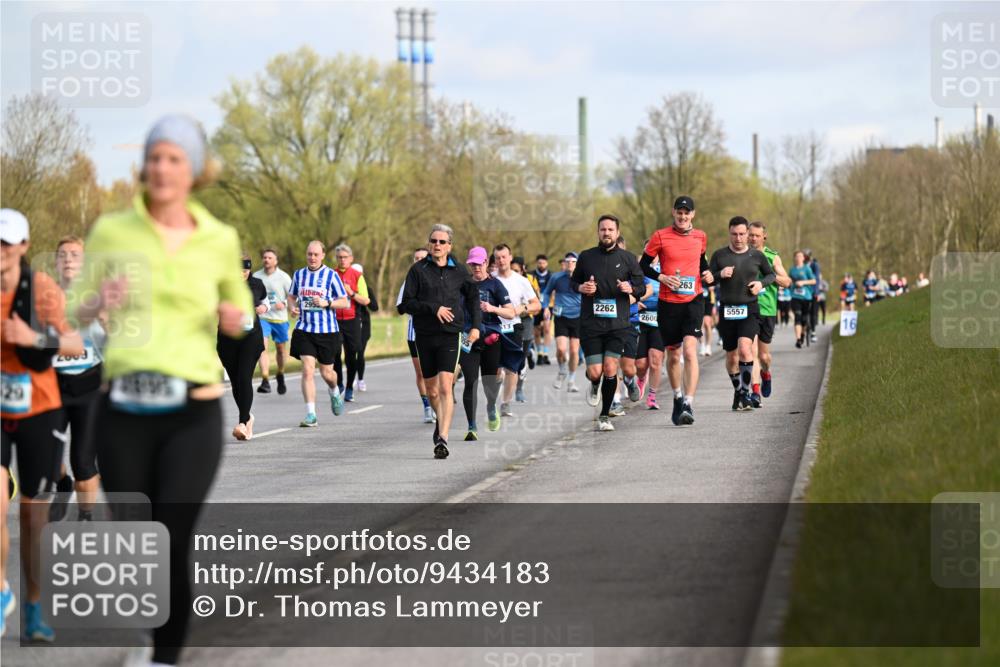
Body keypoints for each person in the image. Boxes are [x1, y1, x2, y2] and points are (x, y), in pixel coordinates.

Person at [69, 115, 253, 665]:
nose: (162, 168)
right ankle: (151, 636)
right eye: (154, 158)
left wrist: (232, 316)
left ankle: (164, 657)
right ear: (144, 167)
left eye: (174, 158)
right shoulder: (112, 232)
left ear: (194, 170)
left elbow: (241, 314)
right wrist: (99, 300)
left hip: (192, 413)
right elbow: (75, 309)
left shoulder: (218, 239)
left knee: (172, 537)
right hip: (123, 410)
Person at [1, 209, 84, 641]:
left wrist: (33, 339)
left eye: (7, 242)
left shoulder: (42, 290)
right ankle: (0, 592)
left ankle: (33, 609)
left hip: (39, 409)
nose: (1, 251)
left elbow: (72, 342)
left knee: (32, 519)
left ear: (24, 246)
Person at [400, 224, 481, 459]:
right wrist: (433, 308)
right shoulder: (417, 270)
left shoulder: (459, 272)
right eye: (433, 241)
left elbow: (473, 297)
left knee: (446, 387)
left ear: (449, 246)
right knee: (432, 392)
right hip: (424, 335)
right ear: (429, 244)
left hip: (451, 334)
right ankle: (440, 421)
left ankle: (443, 439)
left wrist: (475, 326)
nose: (437, 245)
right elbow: (406, 304)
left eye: (442, 242)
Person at [639, 195, 710, 426]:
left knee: (690, 351)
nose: (682, 216)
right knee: (674, 355)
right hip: (668, 304)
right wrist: (662, 277)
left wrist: (708, 274)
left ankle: (689, 402)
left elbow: (702, 264)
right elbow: (643, 265)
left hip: (693, 301)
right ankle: (677, 397)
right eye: (679, 212)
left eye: (686, 212)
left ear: (693, 214)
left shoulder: (701, 236)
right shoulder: (660, 236)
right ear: (673, 213)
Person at [49, 236, 106, 524]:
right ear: (56, 263)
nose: (69, 259)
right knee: (46, 456)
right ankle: (61, 484)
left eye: (75, 255)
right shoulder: (41, 298)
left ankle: (85, 514)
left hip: (90, 386)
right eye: (63, 255)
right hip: (51, 387)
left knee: (83, 462)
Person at [571, 215, 645, 432]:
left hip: (617, 325)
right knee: (595, 372)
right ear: (598, 232)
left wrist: (631, 289)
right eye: (603, 229)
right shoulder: (586, 257)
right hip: (591, 325)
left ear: (617, 232)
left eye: (610, 229)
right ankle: (594, 384)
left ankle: (604, 416)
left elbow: (641, 286)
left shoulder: (629, 258)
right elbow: (573, 282)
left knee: (611, 367)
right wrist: (581, 288)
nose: (606, 233)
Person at [705, 217, 776, 411]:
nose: (739, 238)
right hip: (727, 310)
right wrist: (720, 275)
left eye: (742, 234)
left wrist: (761, 283)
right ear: (729, 233)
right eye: (734, 234)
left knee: (745, 349)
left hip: (750, 310)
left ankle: (745, 393)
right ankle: (738, 390)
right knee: (731, 358)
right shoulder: (720, 256)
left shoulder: (757, 256)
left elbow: (771, 275)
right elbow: (707, 281)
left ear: (747, 234)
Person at [288, 241, 350, 426]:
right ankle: (311, 414)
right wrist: (292, 308)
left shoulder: (331, 275)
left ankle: (334, 391)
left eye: (316, 254)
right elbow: (291, 296)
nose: (312, 258)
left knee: (327, 373)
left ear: (323, 255)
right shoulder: (299, 274)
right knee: (307, 370)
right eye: (309, 254)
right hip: (305, 329)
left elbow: (344, 302)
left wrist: (326, 303)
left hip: (327, 332)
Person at [459, 247, 515, 440]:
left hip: (491, 338)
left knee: (489, 382)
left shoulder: (495, 285)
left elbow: (510, 312)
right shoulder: (462, 284)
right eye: (472, 264)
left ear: (486, 263)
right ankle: (471, 426)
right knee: (470, 382)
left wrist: (491, 308)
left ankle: (491, 405)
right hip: (468, 338)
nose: (476, 267)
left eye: (479, 263)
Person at [218, 252, 268, 440]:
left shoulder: (256, 284)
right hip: (227, 339)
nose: (242, 273)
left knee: (244, 377)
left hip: (250, 337)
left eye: (246, 269)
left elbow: (263, 301)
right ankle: (248, 419)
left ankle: (242, 423)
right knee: (235, 382)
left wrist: (264, 308)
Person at [747, 222, 792, 406]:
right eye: (751, 235)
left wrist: (771, 277)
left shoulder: (773, 257)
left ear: (764, 236)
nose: (753, 238)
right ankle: (755, 392)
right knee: (751, 351)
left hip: (768, 310)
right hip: (749, 309)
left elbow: (787, 281)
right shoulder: (743, 255)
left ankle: (766, 373)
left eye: (757, 235)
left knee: (764, 357)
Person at [492, 245, 540, 417]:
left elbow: (537, 305)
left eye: (504, 257)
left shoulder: (521, 280)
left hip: (514, 327)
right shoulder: (490, 279)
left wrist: (522, 308)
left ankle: (506, 403)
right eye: (497, 258)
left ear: (510, 257)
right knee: (497, 370)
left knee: (512, 368)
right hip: (494, 327)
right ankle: (495, 395)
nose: (501, 261)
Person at [396, 248, 436, 424]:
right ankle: (427, 406)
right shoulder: (409, 281)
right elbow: (400, 307)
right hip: (415, 332)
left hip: (437, 331)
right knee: (421, 372)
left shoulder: (437, 277)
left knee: (439, 372)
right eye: (416, 258)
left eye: (422, 258)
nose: (419, 261)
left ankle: (439, 399)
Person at [331, 244, 370, 402]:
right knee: (335, 354)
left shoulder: (357, 275)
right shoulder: (331, 274)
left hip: (352, 319)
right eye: (339, 257)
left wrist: (351, 293)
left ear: (351, 259)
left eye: (345, 257)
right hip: (334, 320)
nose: (342, 260)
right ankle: (339, 383)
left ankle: (348, 388)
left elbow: (366, 300)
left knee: (351, 355)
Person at [540, 252, 582, 393]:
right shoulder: (556, 277)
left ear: (577, 263)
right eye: (567, 261)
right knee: (561, 350)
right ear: (564, 263)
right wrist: (545, 307)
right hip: (561, 317)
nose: (570, 263)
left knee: (575, 351)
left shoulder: (583, 278)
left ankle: (571, 380)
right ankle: (562, 370)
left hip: (578, 318)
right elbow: (546, 292)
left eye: (573, 261)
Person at [253, 247, 292, 395]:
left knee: (281, 349)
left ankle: (280, 373)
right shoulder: (256, 276)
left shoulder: (284, 277)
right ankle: (265, 380)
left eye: (269, 258)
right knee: (261, 347)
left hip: (280, 318)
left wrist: (286, 304)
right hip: (263, 318)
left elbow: (293, 296)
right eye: (264, 257)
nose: (266, 260)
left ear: (275, 261)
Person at [614, 235, 646, 415]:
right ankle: (615, 400)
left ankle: (630, 380)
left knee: (628, 367)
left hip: (630, 321)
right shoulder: (603, 268)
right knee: (612, 364)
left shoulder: (633, 267)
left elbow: (645, 287)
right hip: (610, 322)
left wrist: (633, 296)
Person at [635, 254, 664, 410]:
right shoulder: (637, 268)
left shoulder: (666, 268)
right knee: (640, 364)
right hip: (640, 318)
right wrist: (635, 301)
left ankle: (652, 396)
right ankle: (641, 377)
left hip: (660, 319)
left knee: (655, 360)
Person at [511, 255, 540, 398]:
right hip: (508, 321)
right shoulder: (503, 281)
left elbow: (537, 306)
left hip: (525, 321)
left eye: (516, 270)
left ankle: (519, 388)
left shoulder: (527, 282)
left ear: (522, 270)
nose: (513, 273)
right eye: (512, 270)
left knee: (521, 358)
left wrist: (523, 308)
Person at [788, 250, 817, 348]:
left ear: (803, 258)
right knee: (797, 316)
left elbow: (813, 281)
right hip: (795, 296)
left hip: (806, 297)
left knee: (804, 319)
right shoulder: (792, 270)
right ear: (794, 258)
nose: (798, 258)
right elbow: (789, 281)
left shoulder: (807, 268)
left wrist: (803, 283)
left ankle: (803, 334)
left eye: (800, 256)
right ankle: (798, 339)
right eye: (796, 256)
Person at [530, 254, 553, 366]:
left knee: (547, 329)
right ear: (537, 263)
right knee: (537, 330)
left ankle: (546, 353)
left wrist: (547, 306)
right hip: (535, 305)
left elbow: (553, 291)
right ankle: (539, 353)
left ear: (547, 263)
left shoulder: (551, 275)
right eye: (539, 263)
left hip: (548, 306)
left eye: (543, 263)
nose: (541, 265)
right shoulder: (532, 275)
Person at [699, 284, 715, 356]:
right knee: (700, 324)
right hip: (698, 300)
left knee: (707, 323)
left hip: (708, 301)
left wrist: (712, 285)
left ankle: (708, 346)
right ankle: (702, 345)